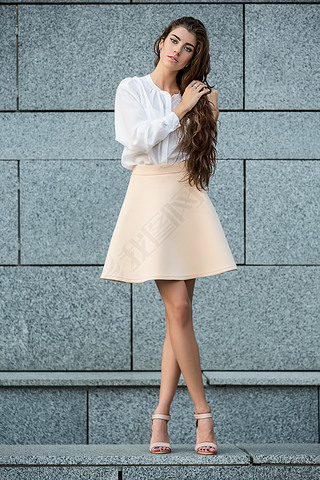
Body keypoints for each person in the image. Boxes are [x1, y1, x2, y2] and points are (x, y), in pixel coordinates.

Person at [100, 16, 238, 455]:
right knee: (178, 307)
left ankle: (160, 418)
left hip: (186, 196)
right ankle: (203, 415)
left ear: (196, 57)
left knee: (179, 316)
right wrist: (179, 111)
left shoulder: (196, 96)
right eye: (174, 41)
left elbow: (198, 159)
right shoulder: (132, 88)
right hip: (150, 195)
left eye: (189, 48)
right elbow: (135, 140)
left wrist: (208, 116)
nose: (178, 50)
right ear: (161, 42)